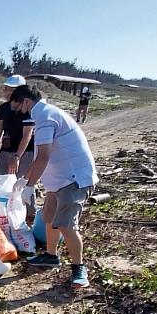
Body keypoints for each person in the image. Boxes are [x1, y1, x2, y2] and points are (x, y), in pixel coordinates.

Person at [11, 85, 99, 288]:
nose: (19, 113)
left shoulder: (45, 117)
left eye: (19, 107)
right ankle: (51, 256)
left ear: (26, 101)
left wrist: (31, 186)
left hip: (74, 179)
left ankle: (79, 268)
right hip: (58, 180)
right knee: (49, 219)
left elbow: (44, 156)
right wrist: (25, 179)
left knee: (67, 226)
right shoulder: (45, 114)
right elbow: (37, 158)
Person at [0, 74, 35, 179]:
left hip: (25, 153)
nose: (7, 93)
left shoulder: (28, 109)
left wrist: (17, 157)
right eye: (6, 89)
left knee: (20, 185)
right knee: (1, 181)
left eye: (11, 90)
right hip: (6, 150)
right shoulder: (3, 108)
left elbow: (27, 135)